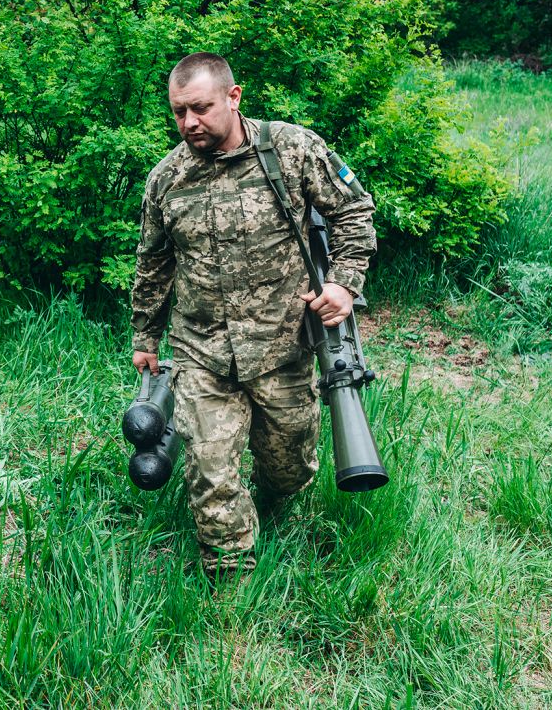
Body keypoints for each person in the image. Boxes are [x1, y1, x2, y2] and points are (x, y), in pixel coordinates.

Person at [130, 52, 375, 580]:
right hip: (202, 351)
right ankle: (231, 585)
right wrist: (145, 335)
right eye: (178, 112)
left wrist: (343, 285)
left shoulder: (292, 149)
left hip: (283, 345)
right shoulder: (166, 179)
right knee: (211, 474)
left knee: (288, 470)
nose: (189, 123)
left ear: (233, 97)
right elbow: (153, 262)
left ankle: (281, 512)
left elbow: (353, 212)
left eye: (200, 108)